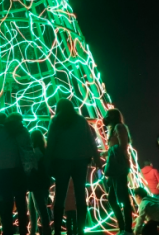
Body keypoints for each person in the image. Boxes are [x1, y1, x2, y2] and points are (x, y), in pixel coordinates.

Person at [46, 99, 102, 235]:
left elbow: (51, 143)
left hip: (62, 161)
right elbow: (91, 140)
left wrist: (47, 163)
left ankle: (58, 229)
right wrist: (96, 158)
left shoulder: (56, 121)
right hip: (80, 161)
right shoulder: (81, 121)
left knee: (60, 196)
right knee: (80, 195)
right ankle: (80, 229)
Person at [0, 113, 35, 235]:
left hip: (2, 172)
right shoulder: (23, 131)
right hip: (18, 171)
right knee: (21, 203)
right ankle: (23, 231)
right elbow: (29, 149)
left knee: (7, 204)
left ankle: (7, 231)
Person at [102, 108, 133, 235]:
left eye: (108, 115)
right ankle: (122, 227)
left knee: (123, 197)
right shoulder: (113, 129)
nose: (106, 117)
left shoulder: (119, 127)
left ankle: (127, 229)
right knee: (112, 198)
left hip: (119, 166)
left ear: (114, 117)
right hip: (114, 166)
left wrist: (108, 151)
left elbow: (122, 146)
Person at [28, 130, 51, 235]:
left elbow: (31, 167)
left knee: (39, 209)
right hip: (44, 183)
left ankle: (45, 231)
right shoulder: (45, 151)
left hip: (36, 184)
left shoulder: (36, 152)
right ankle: (39, 231)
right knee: (37, 209)